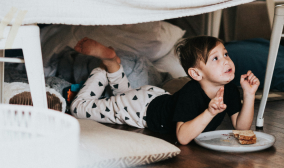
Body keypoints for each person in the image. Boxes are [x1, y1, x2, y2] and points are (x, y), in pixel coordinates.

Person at [70, 35, 259, 145]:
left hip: (154, 97)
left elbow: (242, 128)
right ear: (196, 74)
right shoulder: (191, 92)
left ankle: (112, 64)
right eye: (216, 58)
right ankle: (102, 71)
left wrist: (249, 95)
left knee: (121, 97)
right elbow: (183, 137)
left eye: (225, 53)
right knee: (78, 108)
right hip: (142, 109)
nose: (226, 60)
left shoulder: (231, 90)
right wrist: (210, 112)